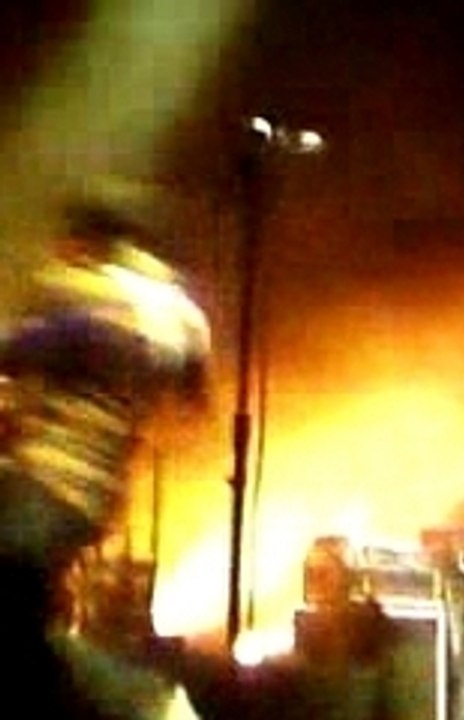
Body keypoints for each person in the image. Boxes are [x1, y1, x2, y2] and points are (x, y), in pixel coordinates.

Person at [0, 176, 212, 718]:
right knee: (21, 632)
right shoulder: (174, 312)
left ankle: (150, 706)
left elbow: (28, 347)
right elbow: (194, 394)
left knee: (21, 633)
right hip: (85, 496)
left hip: (42, 490)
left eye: (70, 239)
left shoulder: (87, 294)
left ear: (91, 241)